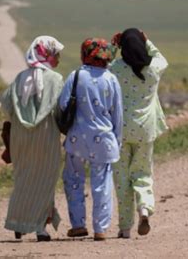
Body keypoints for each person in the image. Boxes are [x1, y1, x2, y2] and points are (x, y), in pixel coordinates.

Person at [1, 36, 65, 242]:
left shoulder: (19, 78)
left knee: (24, 179)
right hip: (46, 135)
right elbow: (60, 109)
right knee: (44, 181)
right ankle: (40, 228)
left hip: (20, 137)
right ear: (47, 54)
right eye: (56, 54)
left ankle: (19, 221)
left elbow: (7, 106)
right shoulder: (55, 79)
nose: (58, 58)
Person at [59, 38, 122, 241]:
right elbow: (117, 114)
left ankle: (78, 224)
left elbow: (62, 104)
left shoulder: (76, 75)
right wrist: (117, 141)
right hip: (103, 139)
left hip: (77, 138)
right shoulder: (111, 79)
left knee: (73, 180)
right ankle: (100, 228)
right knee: (102, 183)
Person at [110, 28, 168, 239]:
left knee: (122, 177)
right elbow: (162, 58)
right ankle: (144, 208)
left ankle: (125, 228)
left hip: (121, 130)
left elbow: (101, 66)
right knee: (143, 173)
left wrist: (113, 47)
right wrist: (147, 40)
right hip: (145, 130)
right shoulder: (154, 68)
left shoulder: (116, 68)